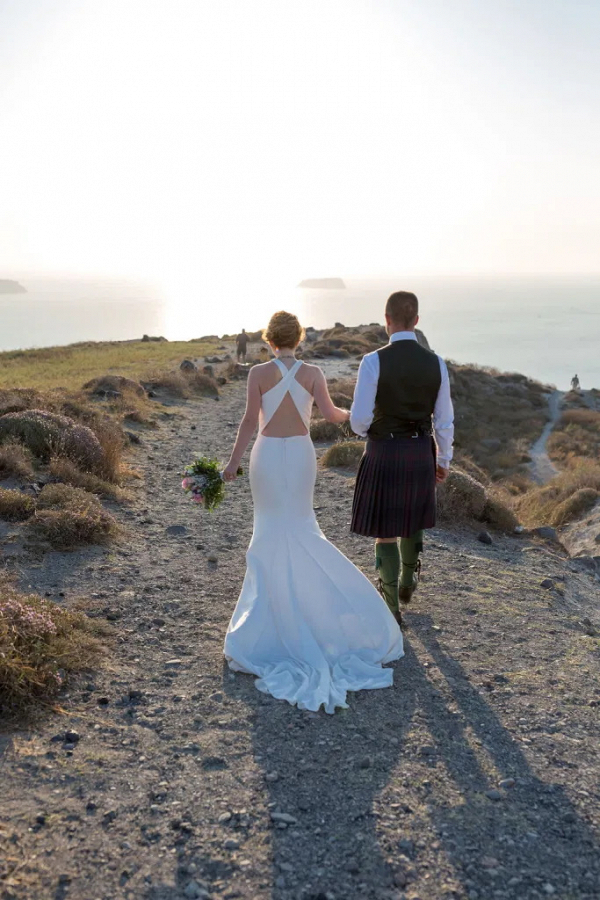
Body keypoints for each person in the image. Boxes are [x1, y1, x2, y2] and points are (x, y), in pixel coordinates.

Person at [222, 310, 403, 713]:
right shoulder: (314, 373)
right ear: (298, 339)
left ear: (270, 340)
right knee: (302, 528)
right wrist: (364, 417)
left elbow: (250, 422)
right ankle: (321, 607)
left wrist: (232, 463)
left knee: (269, 531)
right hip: (301, 456)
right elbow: (332, 414)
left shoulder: (257, 374)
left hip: (267, 457)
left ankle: (272, 621)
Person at [350, 291, 454, 617]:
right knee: (413, 518)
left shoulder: (372, 361)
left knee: (386, 530)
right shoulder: (436, 363)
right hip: (422, 449)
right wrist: (444, 460)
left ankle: (391, 606)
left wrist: (372, 434)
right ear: (417, 321)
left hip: (384, 450)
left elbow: (359, 421)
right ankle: (409, 577)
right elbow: (445, 419)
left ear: (387, 320)